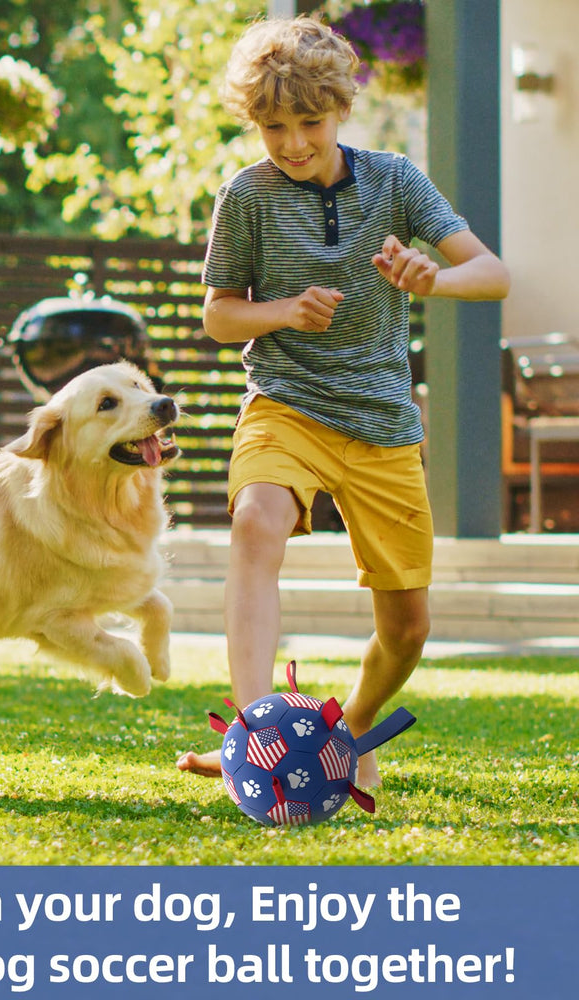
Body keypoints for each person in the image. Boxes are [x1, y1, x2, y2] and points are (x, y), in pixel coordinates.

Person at [177, 15, 510, 786]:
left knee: (408, 628)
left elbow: (490, 273)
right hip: (286, 403)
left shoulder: (395, 181)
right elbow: (220, 314)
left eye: (309, 123)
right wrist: (284, 311)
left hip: (382, 420)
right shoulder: (247, 195)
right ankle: (256, 742)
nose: (292, 143)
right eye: (273, 127)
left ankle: (343, 738)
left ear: (341, 110)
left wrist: (435, 277)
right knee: (257, 524)